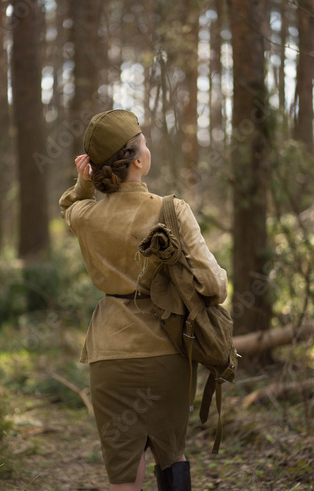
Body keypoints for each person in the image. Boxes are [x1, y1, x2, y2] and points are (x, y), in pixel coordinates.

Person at [59, 110, 228, 491]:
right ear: (137, 160)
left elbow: (69, 208)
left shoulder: (86, 215)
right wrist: (221, 281)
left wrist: (84, 184)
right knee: (172, 456)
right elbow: (212, 285)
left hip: (108, 355)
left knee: (123, 472)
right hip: (167, 349)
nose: (148, 147)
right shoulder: (172, 209)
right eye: (145, 142)